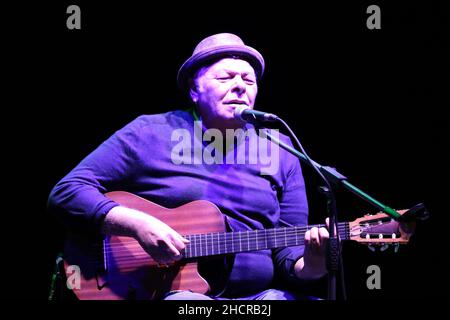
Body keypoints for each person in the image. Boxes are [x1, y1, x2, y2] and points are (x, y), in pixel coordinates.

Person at [48, 33, 330, 300]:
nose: (240, 86)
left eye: (249, 80)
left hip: (258, 297)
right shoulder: (150, 132)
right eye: (225, 77)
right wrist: (136, 224)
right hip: (170, 294)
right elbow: (67, 192)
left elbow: (289, 256)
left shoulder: (281, 150)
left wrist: (314, 262)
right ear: (195, 90)